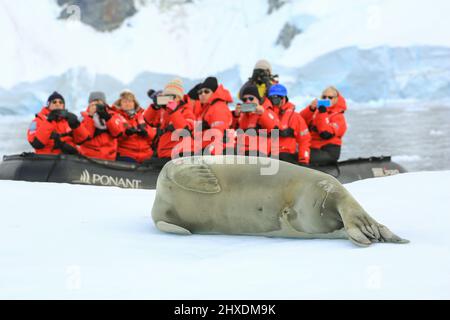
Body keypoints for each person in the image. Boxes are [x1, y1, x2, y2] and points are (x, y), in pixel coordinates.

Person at [143, 79, 195, 163]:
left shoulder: (186, 111)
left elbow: (185, 130)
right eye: (166, 96)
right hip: (165, 153)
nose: (168, 99)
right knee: (146, 164)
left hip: (182, 153)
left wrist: (173, 111)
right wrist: (155, 106)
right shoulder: (163, 111)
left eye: (172, 96)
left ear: (179, 97)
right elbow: (148, 120)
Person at [299, 86, 347, 165]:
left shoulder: (338, 117)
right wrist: (310, 109)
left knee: (299, 156)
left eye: (330, 97)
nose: (326, 99)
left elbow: (325, 134)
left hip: (327, 151)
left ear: (336, 99)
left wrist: (322, 112)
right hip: (312, 147)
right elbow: (299, 122)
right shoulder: (316, 112)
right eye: (324, 97)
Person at [267, 84, 311, 165]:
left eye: (276, 98)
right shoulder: (266, 116)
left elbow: (304, 140)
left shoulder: (295, 117)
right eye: (272, 98)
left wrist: (304, 160)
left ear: (284, 98)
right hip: (267, 155)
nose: (274, 101)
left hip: (286, 155)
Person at [233, 84, 278, 156]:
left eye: (251, 98)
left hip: (259, 152)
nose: (248, 101)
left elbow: (273, 129)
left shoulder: (267, 111)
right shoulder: (242, 115)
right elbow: (230, 129)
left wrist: (263, 114)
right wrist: (235, 116)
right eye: (245, 99)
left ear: (257, 99)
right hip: (242, 152)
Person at [112, 90, 156, 163]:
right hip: (126, 154)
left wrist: (146, 133)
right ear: (120, 104)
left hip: (146, 155)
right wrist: (126, 133)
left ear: (134, 103)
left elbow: (153, 135)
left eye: (130, 101)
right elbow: (114, 136)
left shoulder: (142, 116)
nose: (128, 104)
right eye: (125, 101)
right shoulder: (116, 117)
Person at [78, 92, 125, 161]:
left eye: (100, 101)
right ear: (90, 104)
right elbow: (85, 136)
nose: (97, 104)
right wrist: (90, 116)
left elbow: (117, 133)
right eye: (95, 101)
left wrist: (107, 117)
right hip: (89, 157)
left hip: (109, 157)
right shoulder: (83, 117)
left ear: (104, 103)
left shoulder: (113, 115)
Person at [192, 77, 233, 155]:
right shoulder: (207, 109)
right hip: (205, 151)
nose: (202, 94)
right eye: (200, 92)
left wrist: (212, 154)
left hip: (213, 154)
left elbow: (219, 134)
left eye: (206, 91)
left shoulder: (218, 108)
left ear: (214, 92)